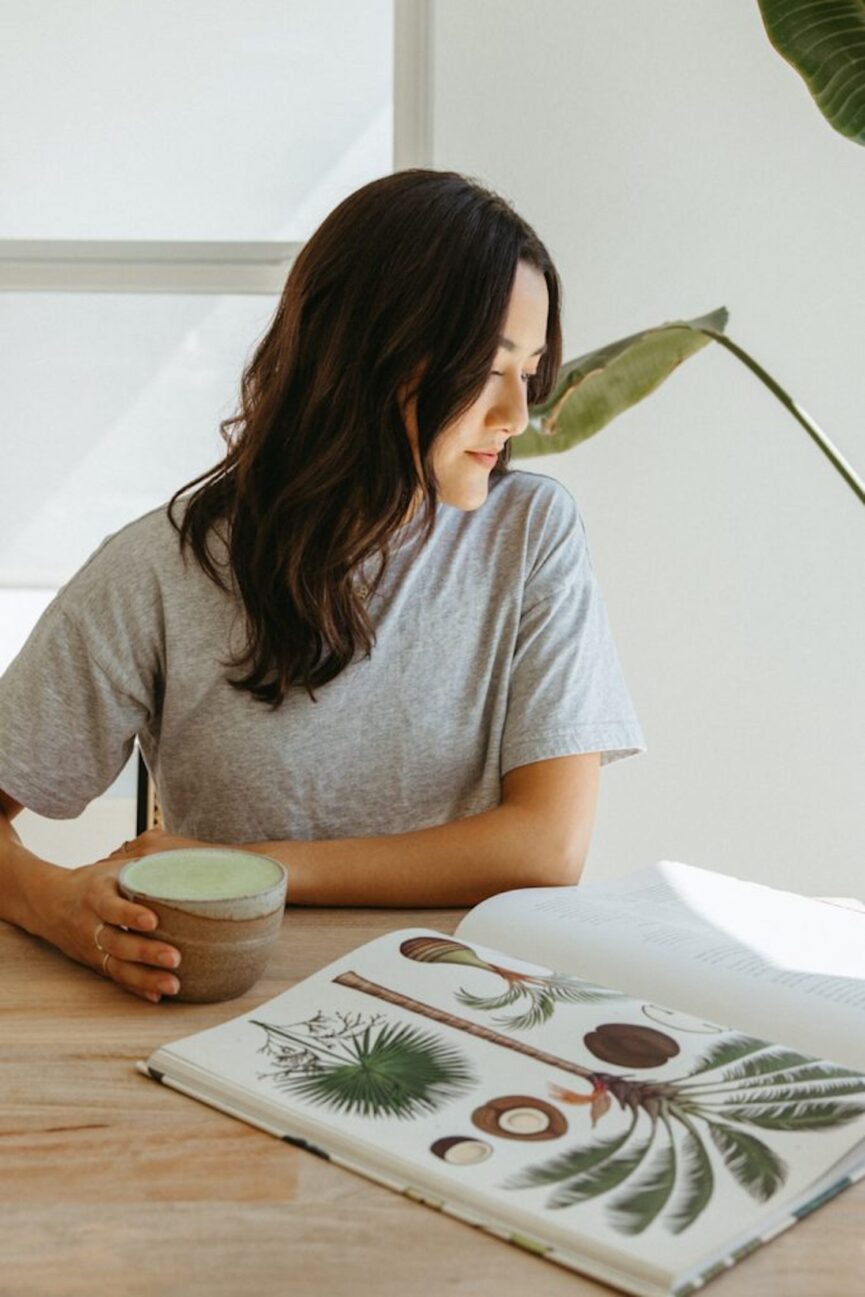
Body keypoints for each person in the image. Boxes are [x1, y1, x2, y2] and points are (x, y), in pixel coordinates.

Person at [0, 168, 645, 1004]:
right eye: (489, 370)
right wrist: (53, 904)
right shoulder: (161, 568)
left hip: (469, 1009)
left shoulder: (529, 536)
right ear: (371, 355)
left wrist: (253, 868)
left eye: (530, 369)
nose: (517, 415)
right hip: (226, 1008)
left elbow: (546, 846)